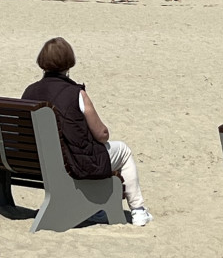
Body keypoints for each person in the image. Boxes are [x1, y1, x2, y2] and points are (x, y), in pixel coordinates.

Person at [21, 38, 152, 226]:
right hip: (72, 163)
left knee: (96, 152)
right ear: (68, 63)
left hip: (35, 163)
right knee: (122, 150)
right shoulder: (75, 93)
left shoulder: (29, 92)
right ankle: (138, 210)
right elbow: (102, 134)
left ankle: (98, 207)